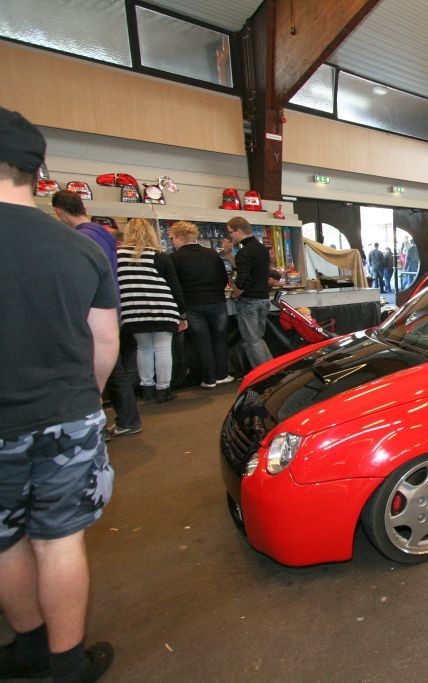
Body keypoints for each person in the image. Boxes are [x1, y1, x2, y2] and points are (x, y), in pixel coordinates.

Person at [0, 107, 116, 681]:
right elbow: (105, 342)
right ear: (36, 172)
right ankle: (68, 663)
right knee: (60, 539)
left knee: (5, 540)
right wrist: (85, 400)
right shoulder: (83, 249)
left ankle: (27, 646)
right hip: (68, 416)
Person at [51, 191, 141, 438]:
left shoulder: (82, 238)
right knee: (113, 368)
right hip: (107, 309)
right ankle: (126, 419)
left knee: (101, 370)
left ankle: (103, 424)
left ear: (59, 211)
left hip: (94, 311)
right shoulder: (100, 235)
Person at [118, 218, 187, 403]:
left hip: (133, 311)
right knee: (163, 348)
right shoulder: (158, 256)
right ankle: (163, 389)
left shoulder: (118, 256)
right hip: (163, 309)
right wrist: (182, 313)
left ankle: (146, 387)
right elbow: (175, 287)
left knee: (143, 348)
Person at [168, 221, 233, 389]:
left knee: (202, 342)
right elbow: (223, 278)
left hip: (192, 304)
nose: (172, 241)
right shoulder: (212, 254)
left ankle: (209, 379)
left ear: (180, 237)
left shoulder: (174, 259)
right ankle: (222, 374)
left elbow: (174, 286)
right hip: (217, 301)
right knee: (220, 339)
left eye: (172, 238)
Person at [227, 216, 274, 369]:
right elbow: (244, 268)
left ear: (239, 231)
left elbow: (243, 281)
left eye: (231, 232)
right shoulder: (261, 249)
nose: (231, 236)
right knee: (258, 339)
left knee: (252, 341)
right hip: (263, 299)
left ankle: (262, 374)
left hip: (249, 302)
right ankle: (272, 370)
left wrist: (234, 294)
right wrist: (229, 255)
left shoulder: (245, 252)